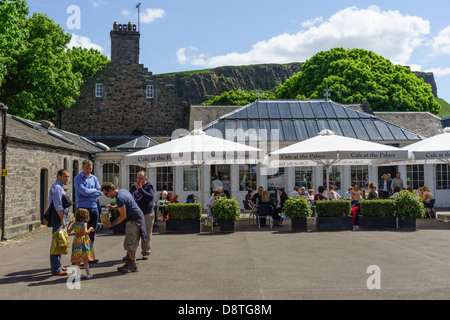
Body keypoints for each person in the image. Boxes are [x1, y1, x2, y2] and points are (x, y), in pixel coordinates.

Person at [102, 182, 147, 273]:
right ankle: (130, 263)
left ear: (110, 190)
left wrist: (111, 224)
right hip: (137, 217)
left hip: (134, 220)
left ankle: (133, 265)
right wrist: (113, 207)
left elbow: (122, 216)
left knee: (131, 243)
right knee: (130, 243)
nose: (106, 196)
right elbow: (124, 206)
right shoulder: (123, 191)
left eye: (106, 194)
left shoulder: (119, 198)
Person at [74, 159, 102, 263]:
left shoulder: (94, 178)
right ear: (82, 168)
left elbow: (100, 192)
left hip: (94, 208)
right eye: (87, 168)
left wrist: (91, 192)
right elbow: (84, 192)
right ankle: (78, 258)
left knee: (91, 233)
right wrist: (94, 191)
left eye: (90, 168)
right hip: (82, 209)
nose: (89, 170)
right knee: (81, 234)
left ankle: (88, 257)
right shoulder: (77, 178)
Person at [129, 171, 155, 261]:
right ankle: (130, 254)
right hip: (136, 214)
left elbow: (150, 197)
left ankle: (146, 252)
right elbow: (129, 198)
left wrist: (140, 190)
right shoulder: (133, 187)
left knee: (147, 234)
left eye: (140, 178)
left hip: (147, 214)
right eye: (137, 178)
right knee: (133, 234)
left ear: (145, 179)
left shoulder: (149, 186)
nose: (138, 180)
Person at [49, 169, 70, 276]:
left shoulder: (60, 187)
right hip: (58, 218)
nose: (67, 178)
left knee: (60, 242)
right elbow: (58, 205)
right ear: (59, 176)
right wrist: (62, 219)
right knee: (56, 243)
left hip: (61, 218)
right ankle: (56, 269)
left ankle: (58, 265)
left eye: (68, 176)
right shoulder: (57, 188)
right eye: (65, 176)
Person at [67, 208, 95, 279]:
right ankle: (88, 274)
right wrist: (90, 228)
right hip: (84, 242)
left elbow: (68, 231)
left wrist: (69, 224)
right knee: (85, 260)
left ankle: (78, 275)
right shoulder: (84, 223)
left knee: (78, 260)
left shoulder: (74, 224)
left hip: (76, 242)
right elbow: (85, 233)